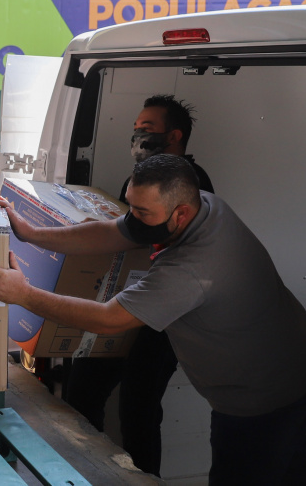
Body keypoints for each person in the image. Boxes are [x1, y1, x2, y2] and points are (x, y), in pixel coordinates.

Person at [0, 154, 306, 486]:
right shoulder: (202, 205)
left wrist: (23, 295)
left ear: (180, 214)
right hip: (297, 362)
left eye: (142, 212)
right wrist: (30, 232)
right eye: (132, 206)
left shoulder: (193, 268)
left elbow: (108, 319)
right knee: (291, 468)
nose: (133, 218)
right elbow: (113, 232)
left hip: (263, 396)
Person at [63, 94, 213, 476]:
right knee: (81, 391)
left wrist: (97, 233)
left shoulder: (193, 182)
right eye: (136, 127)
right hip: (126, 303)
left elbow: (137, 236)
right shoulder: (139, 178)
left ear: (174, 136)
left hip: (164, 317)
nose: (137, 135)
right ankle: (85, 474)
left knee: (139, 407)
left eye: (147, 128)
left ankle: (146, 480)